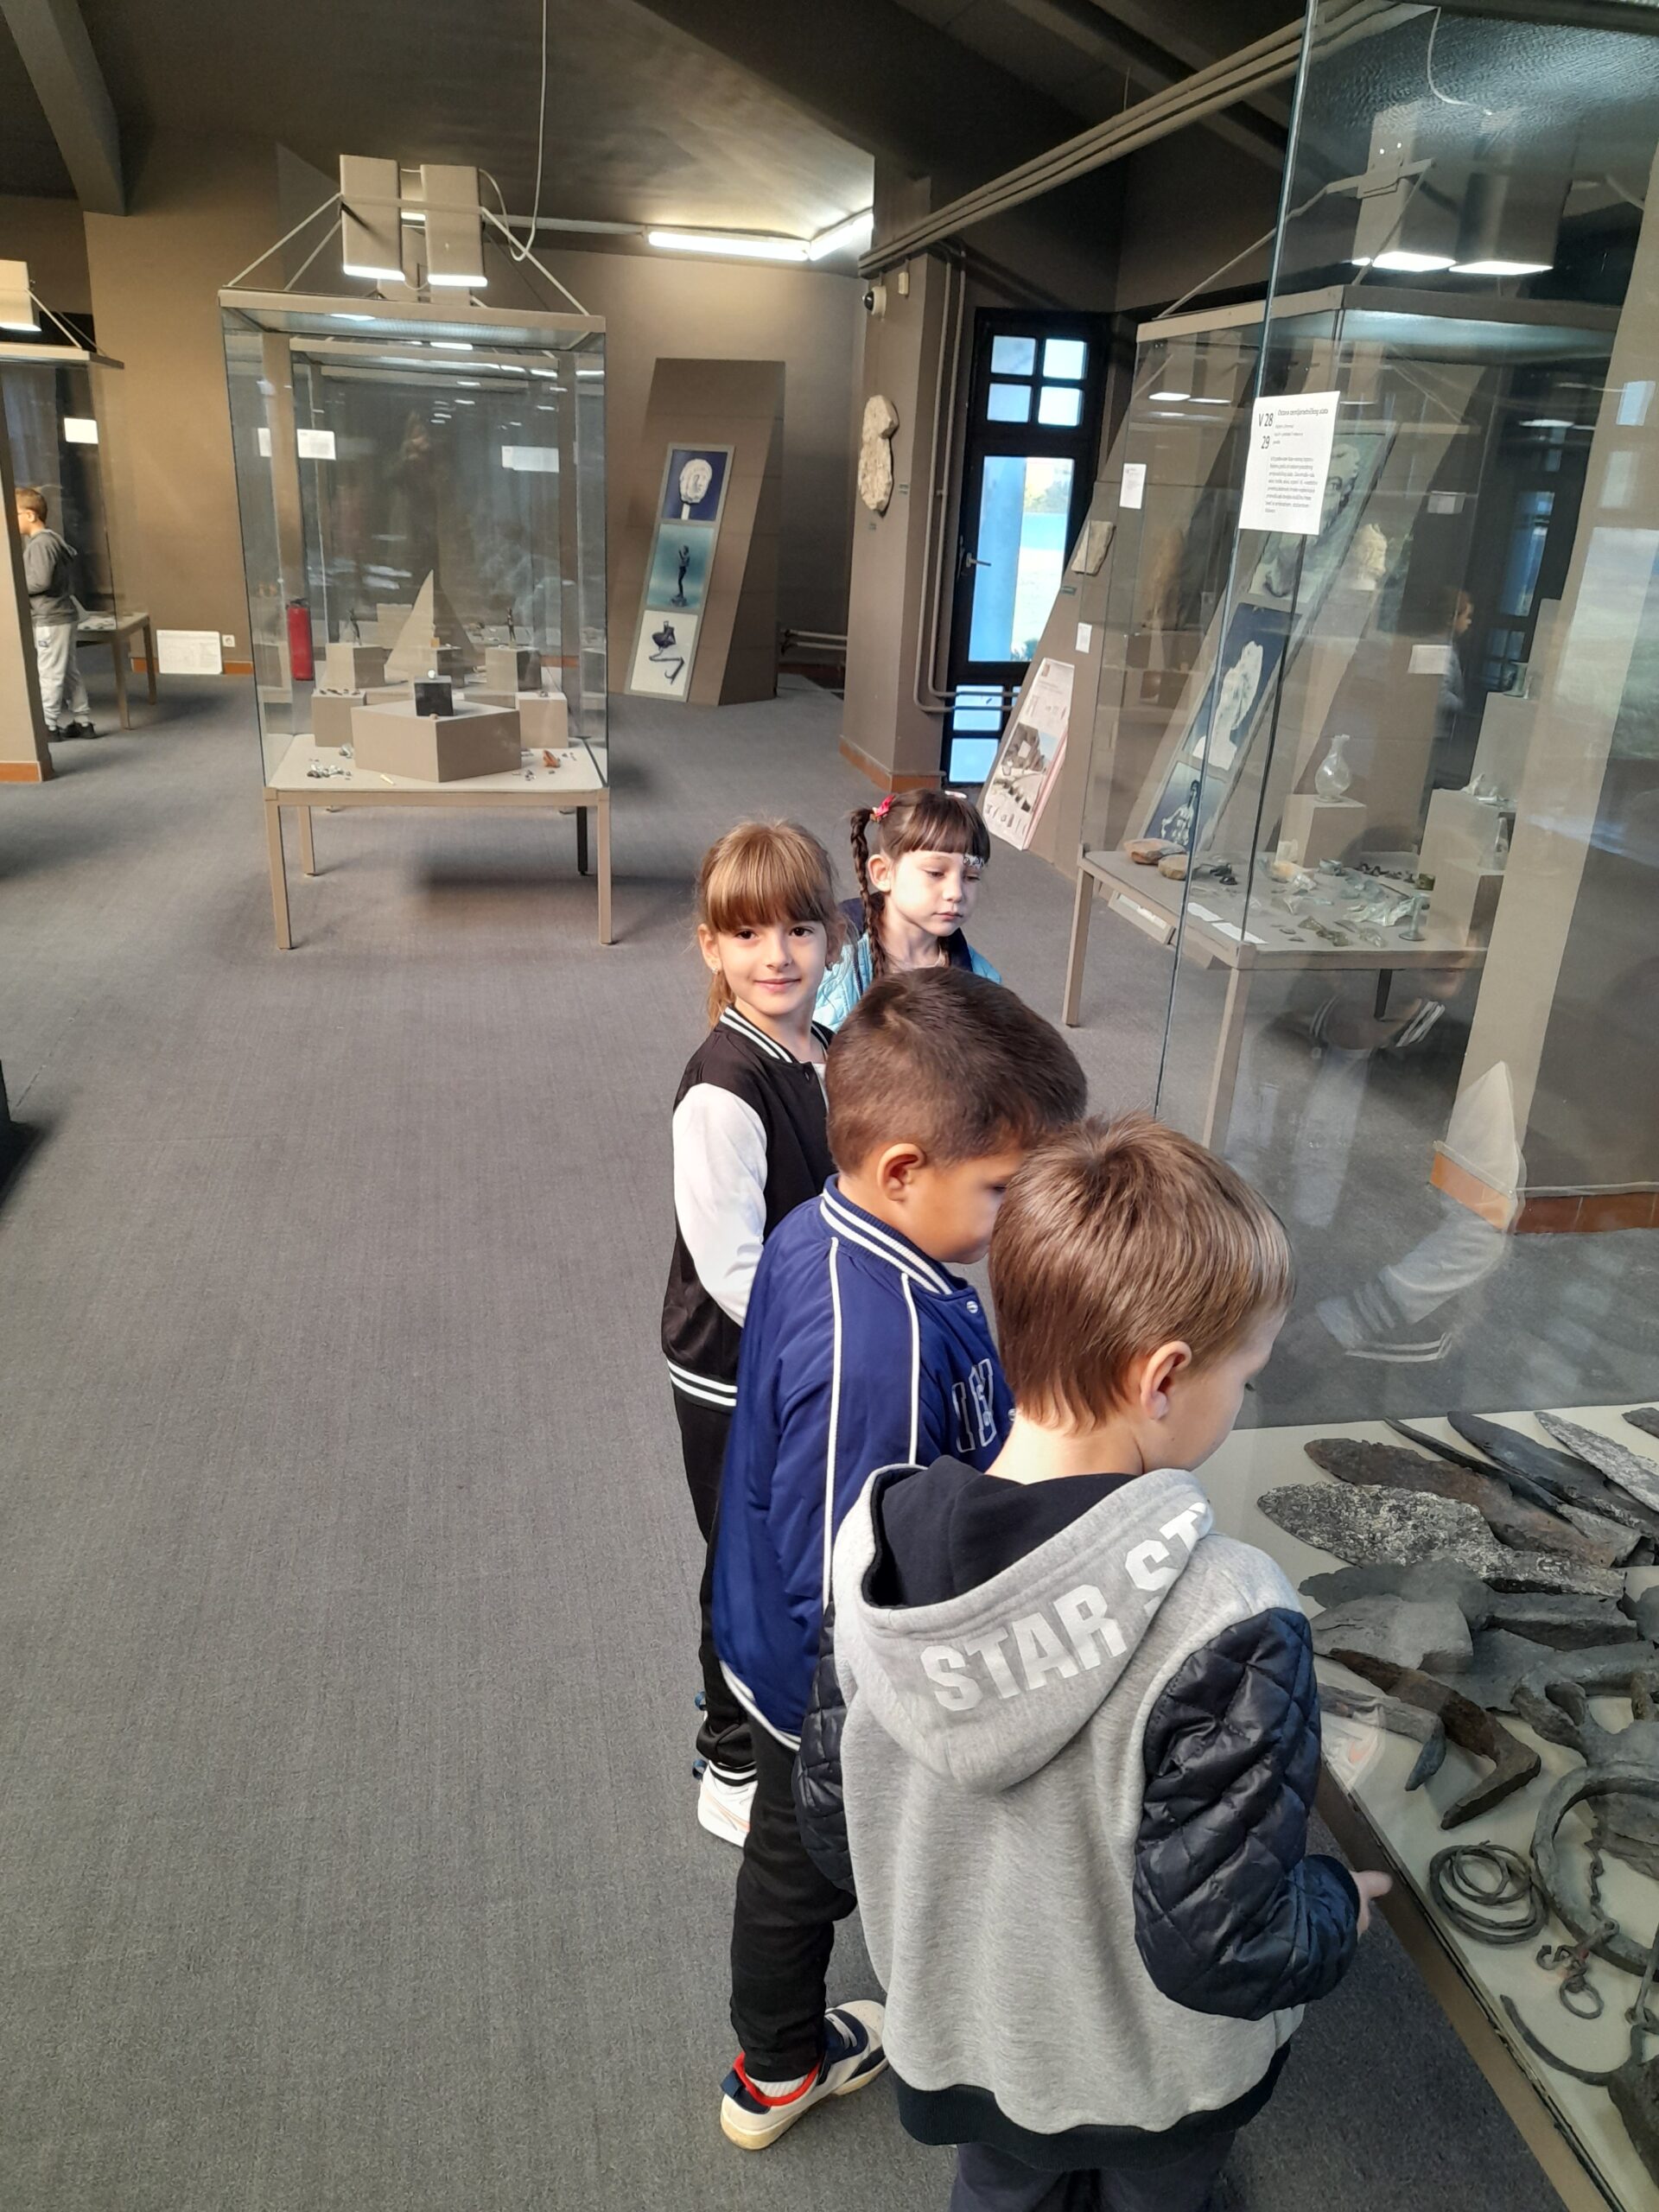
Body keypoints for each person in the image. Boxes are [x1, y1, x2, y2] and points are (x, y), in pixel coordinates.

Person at [798, 1113, 1389, 2211]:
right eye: (1245, 1375)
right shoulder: (1232, 1614)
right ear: (1163, 1379)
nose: (1244, 1397)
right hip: (1156, 2081)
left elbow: (835, 1824)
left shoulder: (870, 1550)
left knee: (998, 2192)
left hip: (974, 2044)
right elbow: (1224, 1944)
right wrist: (1334, 1905)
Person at [711, 968, 1087, 2152]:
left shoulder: (850, 1234)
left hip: (792, 1644)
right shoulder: (871, 1346)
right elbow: (845, 1572)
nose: (1018, 1215)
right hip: (822, 1688)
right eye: (1003, 1189)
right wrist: (875, 1738)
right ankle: (775, 2067)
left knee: (800, 1862)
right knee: (799, 1869)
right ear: (905, 1171)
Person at [661, 821, 844, 1848]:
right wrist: (827, 1340)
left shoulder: (823, 1052)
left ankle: (778, 1719)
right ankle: (730, 1754)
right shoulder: (723, 1089)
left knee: (787, 1546)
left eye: (799, 930)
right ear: (712, 947)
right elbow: (732, 1268)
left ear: (831, 939)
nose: (777, 955)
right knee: (739, 1557)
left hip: (798, 1353)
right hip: (733, 1369)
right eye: (748, 934)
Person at [815, 790, 999, 1031]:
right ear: (883, 873)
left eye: (971, 877)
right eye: (936, 873)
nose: (956, 893)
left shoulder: (984, 981)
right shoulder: (826, 960)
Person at [14, 486, 93, 741]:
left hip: (50, 618)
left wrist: (13, 584)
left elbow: (40, 581)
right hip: (62, 616)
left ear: (30, 515)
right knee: (68, 671)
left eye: (13, 514)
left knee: (49, 672)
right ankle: (83, 721)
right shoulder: (52, 539)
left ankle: (48, 725)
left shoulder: (40, 544)